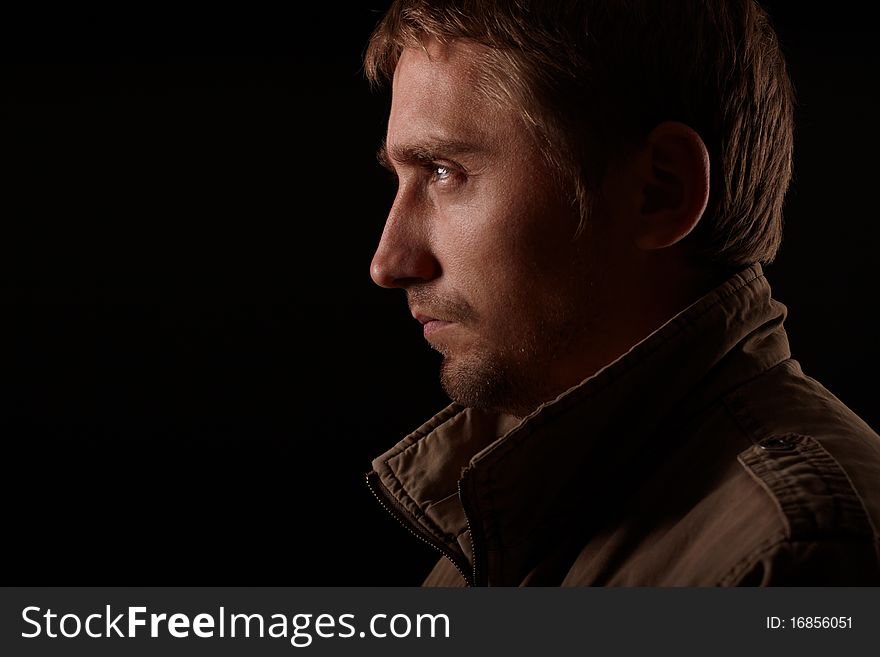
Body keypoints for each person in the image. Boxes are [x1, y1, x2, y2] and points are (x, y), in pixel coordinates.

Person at [362, 0, 880, 586]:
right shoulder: (513, 512)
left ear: (659, 191)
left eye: (443, 171)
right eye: (402, 178)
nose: (390, 262)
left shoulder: (794, 559)